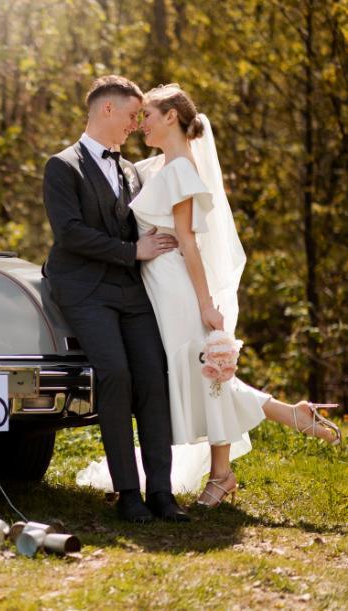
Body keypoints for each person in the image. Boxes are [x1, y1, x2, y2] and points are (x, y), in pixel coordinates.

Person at [129, 83, 342, 508]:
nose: (141, 124)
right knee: (201, 373)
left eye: (148, 115)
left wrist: (207, 304)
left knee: (206, 374)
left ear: (172, 116)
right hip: (160, 281)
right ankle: (290, 415)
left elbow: (188, 241)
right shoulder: (163, 166)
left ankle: (223, 474)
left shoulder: (181, 171)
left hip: (177, 286)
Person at [42, 75, 189, 523]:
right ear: (107, 110)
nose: (134, 124)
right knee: (116, 375)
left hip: (130, 289)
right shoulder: (61, 166)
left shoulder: (130, 170)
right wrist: (131, 251)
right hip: (84, 289)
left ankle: (161, 493)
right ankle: (128, 494)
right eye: (131, 115)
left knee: (152, 377)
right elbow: (69, 233)